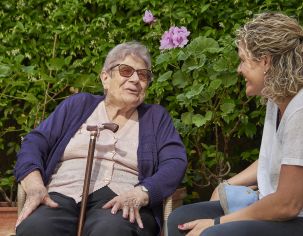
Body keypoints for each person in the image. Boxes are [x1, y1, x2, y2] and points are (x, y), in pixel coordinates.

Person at [167, 12, 303, 236]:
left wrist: (219, 222)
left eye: (243, 60)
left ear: (265, 61)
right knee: (181, 218)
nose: (239, 70)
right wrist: (225, 185)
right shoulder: (279, 98)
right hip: (299, 214)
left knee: (216, 234)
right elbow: (277, 159)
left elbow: (288, 204)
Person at [14, 41, 187, 236]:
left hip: (122, 203)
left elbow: (175, 162)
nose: (136, 79)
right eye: (126, 71)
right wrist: (35, 185)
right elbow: (34, 143)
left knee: (111, 230)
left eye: (143, 74)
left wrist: (142, 193)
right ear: (105, 78)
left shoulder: (155, 117)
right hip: (61, 195)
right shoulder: (78, 105)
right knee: (36, 228)